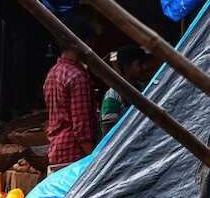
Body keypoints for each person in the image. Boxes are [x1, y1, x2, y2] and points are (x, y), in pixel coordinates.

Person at [43, 15, 97, 167]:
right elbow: (81, 129)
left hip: (56, 150)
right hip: (74, 155)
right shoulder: (77, 76)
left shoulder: (54, 72)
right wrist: (94, 159)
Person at [100, 45, 152, 135]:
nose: (144, 67)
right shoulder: (113, 95)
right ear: (127, 66)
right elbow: (108, 132)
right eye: (140, 64)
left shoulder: (142, 88)